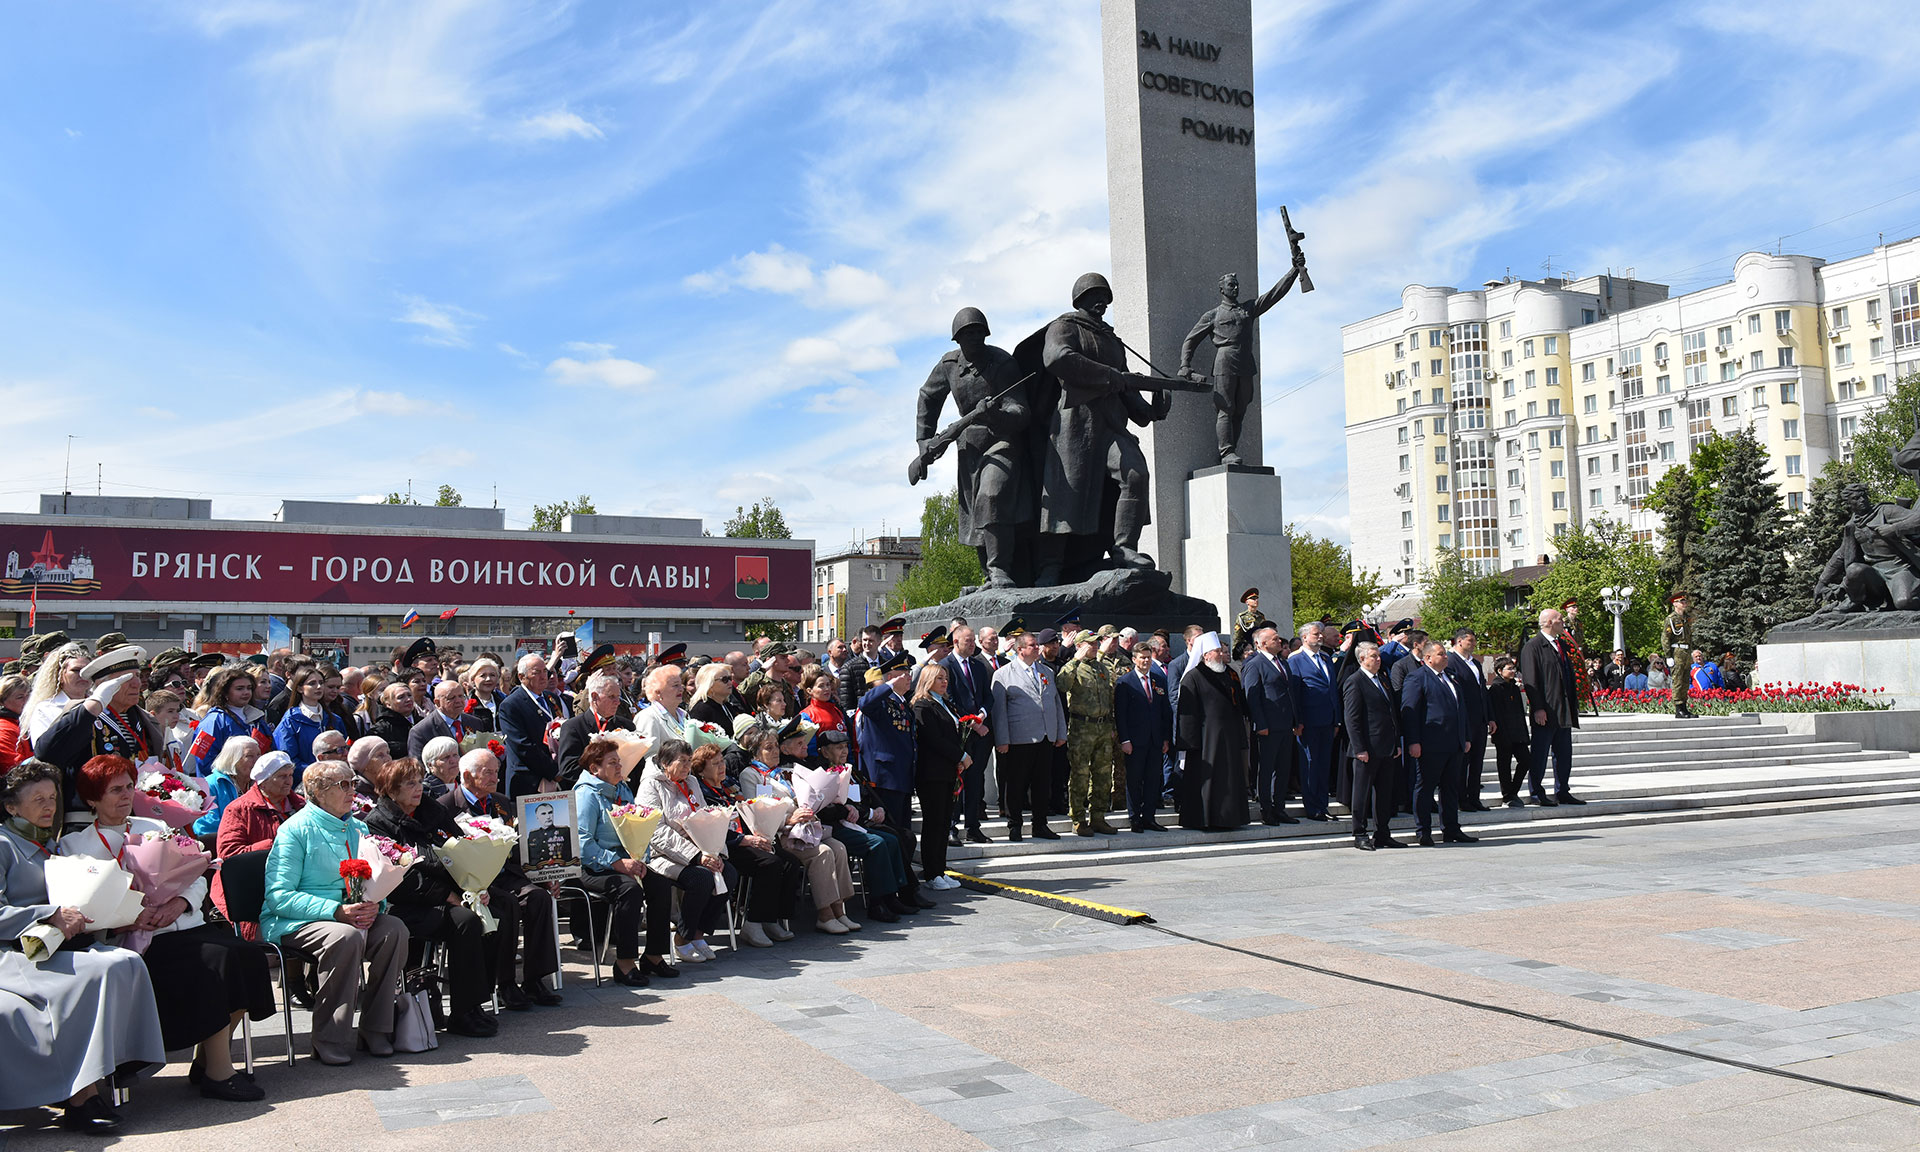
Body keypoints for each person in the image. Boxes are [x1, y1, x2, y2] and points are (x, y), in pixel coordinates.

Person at [59, 755, 274, 1101]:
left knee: (246, 957)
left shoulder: (155, 827)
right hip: (135, 939)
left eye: (129, 787)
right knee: (213, 963)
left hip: (182, 923)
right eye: (115, 790)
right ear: (92, 799)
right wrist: (127, 918)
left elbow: (196, 874)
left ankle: (207, 1059)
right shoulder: (75, 845)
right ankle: (219, 1073)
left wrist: (181, 903)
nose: (125, 795)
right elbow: (82, 903)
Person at [1, 761, 167, 1132]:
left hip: (54, 945)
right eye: (38, 800)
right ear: (11, 807)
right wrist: (50, 914)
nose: (49, 806)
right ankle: (81, 1096)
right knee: (95, 974)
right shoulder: (3, 845)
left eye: (52, 798)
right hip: (14, 953)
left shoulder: (48, 843)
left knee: (125, 962)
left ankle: (121, 1065)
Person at [260, 760, 409, 1065]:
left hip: (350, 914)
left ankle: (376, 1028)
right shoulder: (294, 830)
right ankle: (329, 1036)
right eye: (343, 785)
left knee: (394, 930)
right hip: (296, 920)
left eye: (353, 783)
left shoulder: (358, 827)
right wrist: (336, 910)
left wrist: (374, 905)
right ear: (317, 791)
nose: (352, 791)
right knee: (345, 937)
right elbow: (278, 896)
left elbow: (370, 880)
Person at [362, 757, 499, 1038]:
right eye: (409, 783)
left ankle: (482, 999)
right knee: (465, 922)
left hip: (447, 891)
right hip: (405, 902)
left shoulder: (432, 810)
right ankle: (463, 1012)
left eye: (419, 782)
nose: (418, 788)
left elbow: (461, 848)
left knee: (497, 910)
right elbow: (399, 877)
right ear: (391, 789)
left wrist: (475, 887)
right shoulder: (378, 822)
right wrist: (447, 895)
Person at [440, 747, 562, 1008]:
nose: (495, 777)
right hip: (472, 880)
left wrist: (544, 875)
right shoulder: (446, 806)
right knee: (507, 905)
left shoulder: (501, 802)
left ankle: (535, 979)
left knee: (539, 898)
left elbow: (518, 847)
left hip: (505, 874)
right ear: (467, 776)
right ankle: (505, 982)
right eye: (488, 772)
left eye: (496, 771)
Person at [572, 736, 680, 986]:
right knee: (629, 890)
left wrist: (640, 858)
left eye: (619, 762)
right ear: (594, 768)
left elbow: (637, 825)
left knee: (661, 886)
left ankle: (653, 956)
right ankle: (624, 963)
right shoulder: (586, 794)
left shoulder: (621, 789)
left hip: (624, 860)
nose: (619, 767)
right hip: (592, 866)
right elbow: (582, 843)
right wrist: (616, 863)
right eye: (612, 763)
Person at [736, 729, 861, 934]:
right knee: (823, 853)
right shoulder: (751, 775)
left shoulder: (784, 772)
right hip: (780, 834)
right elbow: (756, 812)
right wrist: (789, 819)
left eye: (776, 747)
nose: (775, 751)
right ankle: (825, 914)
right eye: (768, 748)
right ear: (756, 753)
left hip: (804, 829)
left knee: (839, 848)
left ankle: (839, 910)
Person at [634, 739, 738, 964]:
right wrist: (697, 856)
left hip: (700, 847)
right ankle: (682, 937)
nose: (687, 767)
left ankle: (698, 933)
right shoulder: (651, 786)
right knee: (701, 879)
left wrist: (715, 852)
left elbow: (704, 817)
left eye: (689, 761)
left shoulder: (691, 782)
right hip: (663, 854)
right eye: (682, 761)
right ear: (665, 763)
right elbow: (656, 832)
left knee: (728, 873)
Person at [690, 744, 801, 946]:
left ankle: (772, 918)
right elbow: (712, 826)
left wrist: (760, 832)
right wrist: (745, 840)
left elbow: (745, 812)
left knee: (790, 862)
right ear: (701, 770)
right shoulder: (702, 792)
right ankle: (753, 923)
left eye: (722, 761)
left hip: (748, 837)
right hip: (724, 845)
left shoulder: (729, 784)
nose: (722, 766)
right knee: (770, 863)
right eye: (715, 764)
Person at [211, 748, 304, 934]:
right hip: (253, 889)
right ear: (264, 781)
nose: (289, 781)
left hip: (296, 884)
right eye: (282, 776)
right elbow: (229, 855)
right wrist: (275, 845)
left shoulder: (301, 805)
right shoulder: (239, 809)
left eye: (290, 775)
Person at [990, 630, 1067, 841]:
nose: (1037, 648)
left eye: (1036, 645)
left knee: (1042, 784)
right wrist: (1002, 739)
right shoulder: (1003, 674)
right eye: (1032, 645)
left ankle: (1040, 824)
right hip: (1018, 739)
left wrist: (1060, 732)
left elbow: (1056, 704)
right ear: (1020, 649)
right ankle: (1014, 825)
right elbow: (999, 712)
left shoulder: (1046, 672)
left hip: (1045, 736)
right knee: (1016, 784)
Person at [1399, 641, 1474, 847]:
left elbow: (1461, 708)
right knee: (1425, 788)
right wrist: (1413, 741)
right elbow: (1410, 711)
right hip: (1430, 744)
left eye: (1445, 654)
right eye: (1441, 654)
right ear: (1428, 658)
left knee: (1451, 788)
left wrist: (1466, 736)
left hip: (1454, 743)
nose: (1446, 657)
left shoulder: (1451, 676)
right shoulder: (1417, 677)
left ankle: (1451, 828)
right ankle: (1423, 830)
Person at [1174, 632, 1248, 831]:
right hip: (1205, 740)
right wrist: (1190, 743)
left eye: (1220, 651)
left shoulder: (1227, 674)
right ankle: (1206, 819)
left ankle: (1229, 818)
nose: (1220, 655)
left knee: (1229, 777)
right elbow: (1187, 714)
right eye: (1216, 651)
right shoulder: (1193, 677)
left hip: (1228, 736)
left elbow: (1237, 704)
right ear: (1205, 654)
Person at [909, 665, 970, 890]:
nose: (944, 682)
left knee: (944, 822)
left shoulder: (946, 703)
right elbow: (933, 739)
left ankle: (940, 869)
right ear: (928, 680)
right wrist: (961, 755)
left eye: (945, 678)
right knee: (933, 822)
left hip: (947, 770)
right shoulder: (922, 705)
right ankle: (931, 873)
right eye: (939, 678)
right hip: (931, 772)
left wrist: (958, 758)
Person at [1054, 633, 1120, 837]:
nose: (1095, 646)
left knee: (1103, 776)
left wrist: (1112, 725)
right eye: (1090, 643)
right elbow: (1061, 684)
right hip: (1081, 728)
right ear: (1080, 645)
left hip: (1103, 727)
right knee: (1080, 775)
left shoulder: (1101, 668)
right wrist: (1075, 660)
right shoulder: (1073, 666)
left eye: (1096, 642)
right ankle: (1078, 819)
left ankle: (1098, 817)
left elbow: (1109, 698)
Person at [1519, 608, 1584, 807]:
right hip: (1546, 710)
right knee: (1540, 754)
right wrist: (1538, 708)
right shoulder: (1533, 646)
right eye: (1559, 619)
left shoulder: (1560, 645)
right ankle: (1536, 792)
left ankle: (1562, 790)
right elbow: (1531, 680)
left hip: (1563, 710)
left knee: (1563, 754)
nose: (1562, 622)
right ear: (1548, 622)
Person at [1342, 643, 1403, 850]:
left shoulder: (1382, 679)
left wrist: (1396, 742)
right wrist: (1359, 748)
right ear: (1362, 659)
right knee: (1362, 793)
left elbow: (1391, 713)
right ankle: (1359, 833)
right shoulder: (1355, 681)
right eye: (1374, 656)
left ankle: (1382, 833)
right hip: (1367, 748)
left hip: (1386, 746)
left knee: (1384, 794)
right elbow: (1352, 719)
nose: (1378, 659)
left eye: (1378, 656)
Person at [1240, 623, 1301, 825]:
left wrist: (1296, 720)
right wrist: (1260, 723)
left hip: (1285, 724)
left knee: (1283, 768)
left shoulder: (1282, 662)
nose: (1279, 641)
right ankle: (1266, 810)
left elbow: (1289, 693)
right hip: (1267, 726)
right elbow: (1252, 696)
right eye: (1275, 639)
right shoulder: (1254, 664)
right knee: (1266, 769)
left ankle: (1279, 807)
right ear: (1262, 643)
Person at [940, 625, 995, 845]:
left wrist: (981, 715)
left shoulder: (978, 665)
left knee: (975, 780)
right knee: (957, 780)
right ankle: (951, 826)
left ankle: (973, 827)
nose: (972, 645)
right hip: (958, 734)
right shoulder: (946, 666)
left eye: (973, 640)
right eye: (968, 641)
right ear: (955, 642)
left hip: (979, 735)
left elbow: (988, 696)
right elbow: (949, 699)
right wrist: (972, 723)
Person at [1113, 642, 1172, 833]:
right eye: (1142, 657)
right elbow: (1121, 714)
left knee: (1153, 780)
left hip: (1155, 740)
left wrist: (1165, 738)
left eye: (1148, 657)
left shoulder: (1158, 680)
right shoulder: (1125, 682)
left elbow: (1164, 711)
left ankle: (1149, 818)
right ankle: (1135, 818)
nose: (1146, 661)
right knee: (1134, 780)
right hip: (1135, 740)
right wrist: (1125, 740)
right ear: (1134, 659)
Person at [1285, 622, 1340, 822]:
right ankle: (1312, 806)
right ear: (1305, 637)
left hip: (1327, 720)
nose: (1321, 637)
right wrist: (1297, 721)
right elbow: (1295, 693)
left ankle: (1322, 804)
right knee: (1310, 763)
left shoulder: (1325, 658)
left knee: (1324, 764)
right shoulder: (1296, 660)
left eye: (1321, 634)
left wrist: (1336, 719)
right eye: (1316, 634)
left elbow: (1332, 690)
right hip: (1308, 722)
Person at [555, 670, 635, 788]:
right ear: (594, 697)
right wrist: (605, 776)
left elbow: (637, 764)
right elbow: (568, 768)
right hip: (590, 791)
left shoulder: (627, 725)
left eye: (618, 697)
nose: (617, 702)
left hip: (624, 792)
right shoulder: (573, 727)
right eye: (611, 697)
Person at [500, 653, 565, 796]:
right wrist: (554, 771)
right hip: (528, 780)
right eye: (536, 673)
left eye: (545, 672)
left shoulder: (551, 698)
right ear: (522, 677)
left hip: (557, 776)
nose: (543, 677)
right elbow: (522, 745)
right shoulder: (511, 705)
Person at [1444, 629, 1493, 813]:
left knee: (1477, 761)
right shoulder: (1451, 661)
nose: (1473, 644)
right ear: (1459, 641)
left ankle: (1474, 797)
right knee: (1462, 761)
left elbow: (1482, 691)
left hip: (1479, 720)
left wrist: (1490, 717)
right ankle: (1461, 799)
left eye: (1474, 641)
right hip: (1463, 720)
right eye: (1470, 641)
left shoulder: (1475, 663)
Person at [194, 736, 264, 838]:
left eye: (259, 755)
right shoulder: (210, 785)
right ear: (233, 759)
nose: (258, 761)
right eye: (250, 756)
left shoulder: (260, 784)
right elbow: (206, 828)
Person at [1485, 657, 1531, 809]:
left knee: (1526, 760)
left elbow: (1520, 712)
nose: (1513, 671)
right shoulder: (1495, 688)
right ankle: (1507, 795)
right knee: (1504, 765)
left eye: (1513, 668)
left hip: (1517, 733)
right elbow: (1496, 713)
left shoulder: (1514, 688)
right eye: (1509, 668)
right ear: (1500, 671)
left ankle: (1513, 792)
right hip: (1503, 733)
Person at [687, 662, 746, 734]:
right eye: (724, 679)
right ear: (710, 684)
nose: (730, 683)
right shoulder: (701, 709)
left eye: (730, 678)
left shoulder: (726, 705)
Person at [0, 673, 32, 770]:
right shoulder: (4, 728)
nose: (27, 701)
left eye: (29, 695)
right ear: (2, 702)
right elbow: (11, 766)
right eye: (20, 697)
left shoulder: (26, 721)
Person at [418, 735, 460, 800]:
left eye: (455, 755)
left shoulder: (465, 783)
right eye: (446, 757)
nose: (453, 760)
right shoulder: (425, 791)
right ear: (430, 765)